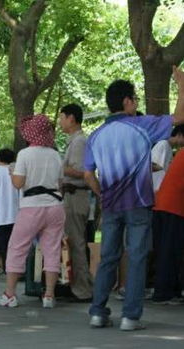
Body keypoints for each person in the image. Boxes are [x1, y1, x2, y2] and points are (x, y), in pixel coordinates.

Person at [84, 66, 184, 331]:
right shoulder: (141, 126)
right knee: (137, 257)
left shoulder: (96, 136)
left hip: (111, 205)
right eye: (135, 99)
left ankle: (97, 312)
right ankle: (130, 317)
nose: (137, 103)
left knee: (108, 257)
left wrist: (101, 193)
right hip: (139, 203)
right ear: (127, 102)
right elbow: (180, 116)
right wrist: (181, 86)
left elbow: (87, 174)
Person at [0, 114, 65, 309]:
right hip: (55, 206)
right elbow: (60, 183)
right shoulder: (56, 154)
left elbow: (18, 183)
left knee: (17, 248)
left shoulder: (24, 154)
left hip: (32, 206)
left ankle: (9, 294)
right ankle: (49, 295)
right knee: (52, 249)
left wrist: (12, 172)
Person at [58, 103, 93, 302]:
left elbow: (83, 173)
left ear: (71, 118)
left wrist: (60, 168)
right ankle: (81, 284)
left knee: (77, 243)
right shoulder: (74, 141)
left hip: (76, 194)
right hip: (72, 196)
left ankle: (83, 290)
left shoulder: (79, 141)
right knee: (74, 242)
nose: (61, 122)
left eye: (62, 117)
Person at [152, 148, 184, 304]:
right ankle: (164, 292)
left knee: (165, 250)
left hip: (162, 205)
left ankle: (170, 289)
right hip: (174, 207)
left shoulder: (181, 152)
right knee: (170, 251)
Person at [0, 148, 19, 272]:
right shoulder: (18, 171)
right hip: (19, 215)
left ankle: (9, 270)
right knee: (18, 246)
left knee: (5, 246)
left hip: (2, 216)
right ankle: (19, 270)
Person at [151, 125, 184, 191]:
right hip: (156, 188)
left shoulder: (169, 148)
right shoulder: (163, 144)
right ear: (179, 134)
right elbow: (157, 170)